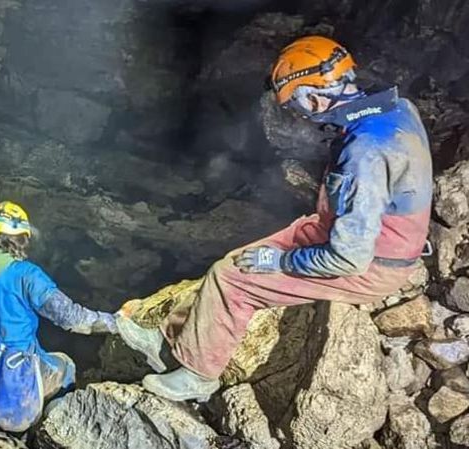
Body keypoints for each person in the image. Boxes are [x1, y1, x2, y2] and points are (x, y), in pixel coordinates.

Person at [116, 35, 433, 402]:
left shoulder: (364, 153)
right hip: (357, 235)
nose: (300, 114)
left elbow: (349, 257)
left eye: (297, 104)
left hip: (371, 264)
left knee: (235, 280)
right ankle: (173, 339)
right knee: (232, 262)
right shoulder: (395, 109)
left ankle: (199, 376)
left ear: (314, 96)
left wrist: (280, 260)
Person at [0, 201, 118, 419]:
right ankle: (52, 426)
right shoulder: (26, 275)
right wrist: (117, 322)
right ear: (20, 239)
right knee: (66, 365)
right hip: (22, 382)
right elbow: (71, 318)